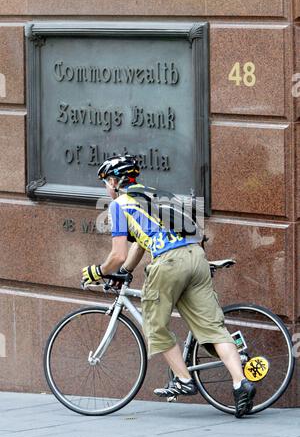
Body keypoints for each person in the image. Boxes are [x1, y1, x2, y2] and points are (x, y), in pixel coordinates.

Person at [81, 154, 256, 418]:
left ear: (116, 182)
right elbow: (143, 241)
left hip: (169, 262)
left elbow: (117, 254)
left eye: (106, 181)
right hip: (196, 257)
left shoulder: (119, 205)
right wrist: (126, 272)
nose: (106, 187)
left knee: (153, 325)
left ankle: (183, 380)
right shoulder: (158, 195)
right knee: (213, 328)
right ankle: (240, 383)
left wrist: (98, 271)